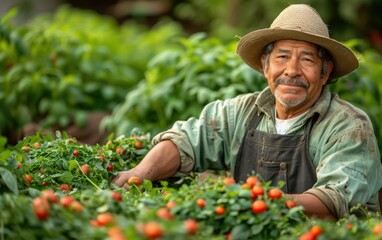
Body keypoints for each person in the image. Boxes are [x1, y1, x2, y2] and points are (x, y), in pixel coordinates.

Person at [112, 4, 382, 219]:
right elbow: (185, 141)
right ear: (265, 67)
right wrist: (139, 173)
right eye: (282, 57)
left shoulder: (349, 127)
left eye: (307, 59)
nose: (292, 70)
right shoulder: (240, 112)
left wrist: (251, 200)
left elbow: (332, 202)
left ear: (325, 73)